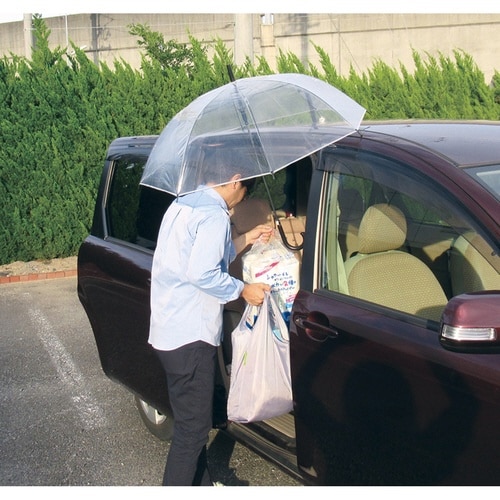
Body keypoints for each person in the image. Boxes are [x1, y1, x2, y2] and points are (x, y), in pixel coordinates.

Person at [148, 172, 273, 486]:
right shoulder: (214, 215)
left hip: (169, 331)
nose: (241, 201)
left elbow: (207, 256)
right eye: (244, 193)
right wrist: (244, 290)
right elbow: (203, 273)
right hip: (191, 335)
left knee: (191, 426)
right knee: (192, 433)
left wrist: (249, 237)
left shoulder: (183, 204)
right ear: (235, 180)